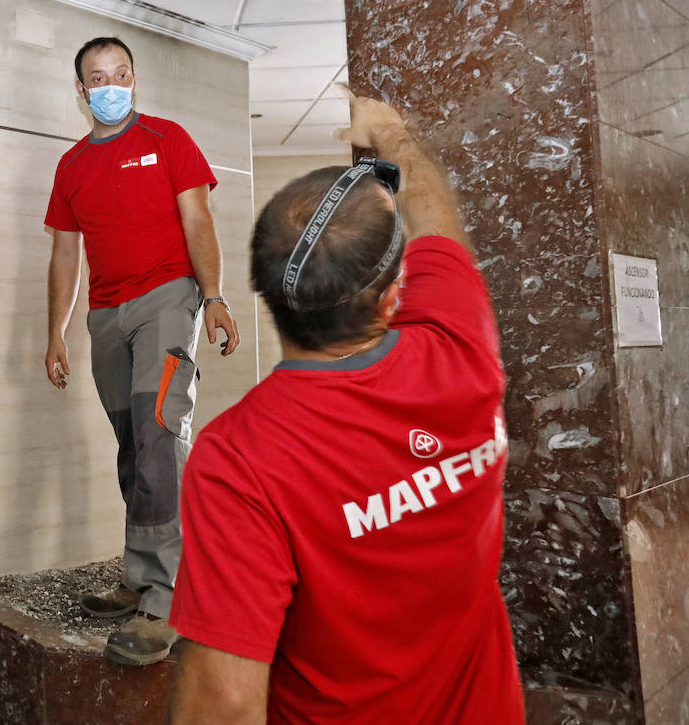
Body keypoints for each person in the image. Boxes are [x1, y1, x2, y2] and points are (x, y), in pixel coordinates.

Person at [168, 88, 523, 723]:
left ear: (266, 291)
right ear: (392, 300)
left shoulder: (240, 456)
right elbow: (437, 216)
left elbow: (223, 700)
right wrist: (392, 131)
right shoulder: (459, 340)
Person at [43, 36, 241, 666]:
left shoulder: (166, 139)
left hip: (167, 297)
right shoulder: (72, 167)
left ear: (134, 79)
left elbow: (198, 220)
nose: (109, 85)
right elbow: (64, 255)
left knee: (159, 430)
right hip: (106, 313)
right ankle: (140, 572)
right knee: (133, 443)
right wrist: (55, 332)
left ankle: (170, 596)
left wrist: (213, 297)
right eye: (96, 77)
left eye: (119, 74)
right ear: (80, 90)